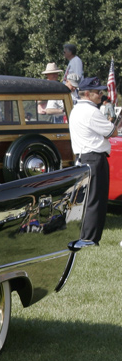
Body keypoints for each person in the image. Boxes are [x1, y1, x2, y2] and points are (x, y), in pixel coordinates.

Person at [68, 77, 115, 244]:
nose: (101, 95)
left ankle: (85, 235)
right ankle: (90, 238)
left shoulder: (76, 110)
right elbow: (112, 132)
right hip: (94, 158)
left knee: (86, 199)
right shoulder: (91, 111)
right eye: (98, 92)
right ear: (87, 93)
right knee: (96, 199)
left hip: (83, 157)